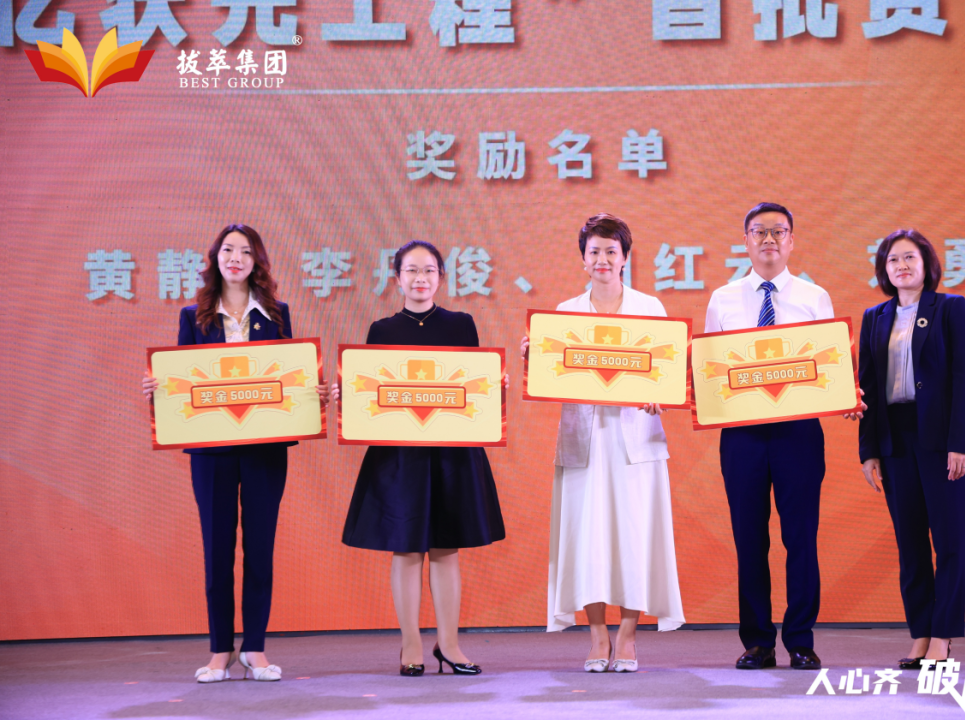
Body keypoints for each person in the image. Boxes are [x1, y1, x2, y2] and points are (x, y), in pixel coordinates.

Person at [327, 240, 505, 677]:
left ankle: (450, 645)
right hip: (400, 456)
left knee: (446, 549)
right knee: (406, 548)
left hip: (451, 453)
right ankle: (411, 645)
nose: (420, 278)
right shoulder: (381, 331)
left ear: (441, 277)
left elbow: (473, 388)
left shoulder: (461, 324)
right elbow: (370, 395)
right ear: (397, 278)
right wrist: (346, 395)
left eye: (428, 270)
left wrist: (494, 388)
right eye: (411, 270)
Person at [521, 213, 684, 673]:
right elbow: (551, 378)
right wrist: (535, 361)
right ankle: (596, 637)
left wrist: (660, 395)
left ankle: (628, 638)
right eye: (594, 251)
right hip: (584, 441)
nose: (603, 259)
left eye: (611, 251)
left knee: (635, 537)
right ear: (583, 259)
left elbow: (668, 376)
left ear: (625, 258)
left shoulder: (650, 308)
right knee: (587, 539)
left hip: (636, 441)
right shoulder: (564, 313)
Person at [142, 224, 305, 683]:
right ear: (216, 258)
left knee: (260, 549)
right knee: (217, 549)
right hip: (212, 452)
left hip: (264, 450)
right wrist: (158, 389)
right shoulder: (194, 316)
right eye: (229, 250)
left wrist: (312, 394)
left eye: (246, 251)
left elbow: (288, 378)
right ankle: (220, 650)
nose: (236, 258)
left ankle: (254, 649)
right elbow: (182, 383)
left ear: (257, 262)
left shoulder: (276, 314)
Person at [703, 202, 833, 671]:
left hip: (799, 433)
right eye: (759, 232)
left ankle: (800, 640)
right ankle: (757, 641)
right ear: (745, 241)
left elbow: (830, 366)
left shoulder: (814, 297)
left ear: (792, 241)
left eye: (778, 231)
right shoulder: (722, 298)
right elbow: (710, 369)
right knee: (749, 540)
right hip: (743, 436)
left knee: (801, 538)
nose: (769, 240)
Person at [857, 229, 965, 668]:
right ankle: (921, 634)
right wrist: (868, 450)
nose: (901, 266)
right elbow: (868, 387)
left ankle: (943, 636)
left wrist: (960, 442)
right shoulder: (874, 317)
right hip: (895, 440)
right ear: (884, 270)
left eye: (909, 258)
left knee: (947, 539)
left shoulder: (949, 308)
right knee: (909, 544)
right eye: (893, 260)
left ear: (927, 264)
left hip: (942, 440)